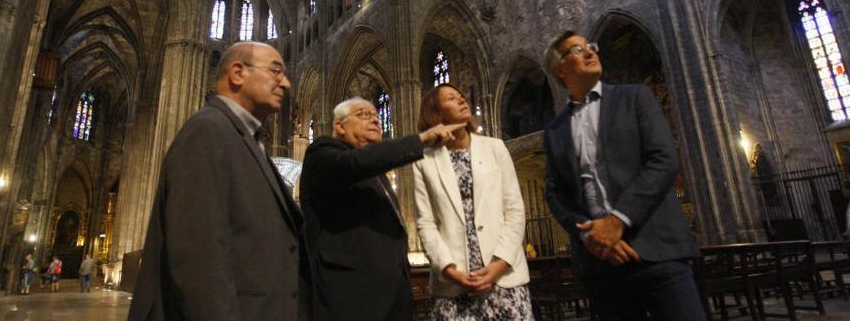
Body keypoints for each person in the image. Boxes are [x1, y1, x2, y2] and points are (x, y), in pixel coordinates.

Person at [128, 42, 310, 321]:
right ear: (237, 73)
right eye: (275, 71)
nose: (285, 83)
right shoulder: (208, 131)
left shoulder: (244, 139)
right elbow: (199, 263)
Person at [542, 30, 705, 320]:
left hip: (656, 250)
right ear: (560, 69)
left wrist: (618, 220)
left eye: (591, 46)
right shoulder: (555, 130)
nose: (591, 52)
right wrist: (590, 234)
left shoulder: (635, 98)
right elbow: (554, 192)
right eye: (578, 50)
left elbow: (664, 159)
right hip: (600, 263)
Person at [300, 97, 464, 320]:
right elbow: (353, 164)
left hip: (393, 298)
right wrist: (420, 140)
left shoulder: (377, 173)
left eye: (376, 115)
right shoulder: (321, 152)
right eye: (364, 115)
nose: (376, 120)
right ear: (340, 126)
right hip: (350, 299)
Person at [413, 83, 533, 320]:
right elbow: (425, 223)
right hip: (453, 284)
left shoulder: (495, 147)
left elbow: (515, 211)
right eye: (451, 98)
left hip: (504, 276)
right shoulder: (424, 161)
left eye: (461, 96)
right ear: (436, 113)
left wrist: (498, 266)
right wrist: (450, 271)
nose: (462, 99)